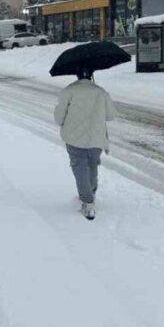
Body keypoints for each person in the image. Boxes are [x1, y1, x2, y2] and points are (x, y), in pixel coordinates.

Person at [54, 68, 117, 220]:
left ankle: (88, 203)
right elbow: (111, 116)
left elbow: (58, 118)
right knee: (92, 165)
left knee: (79, 168)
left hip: (74, 138)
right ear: (91, 75)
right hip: (96, 138)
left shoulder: (68, 91)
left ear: (76, 75)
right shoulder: (101, 92)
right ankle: (91, 193)